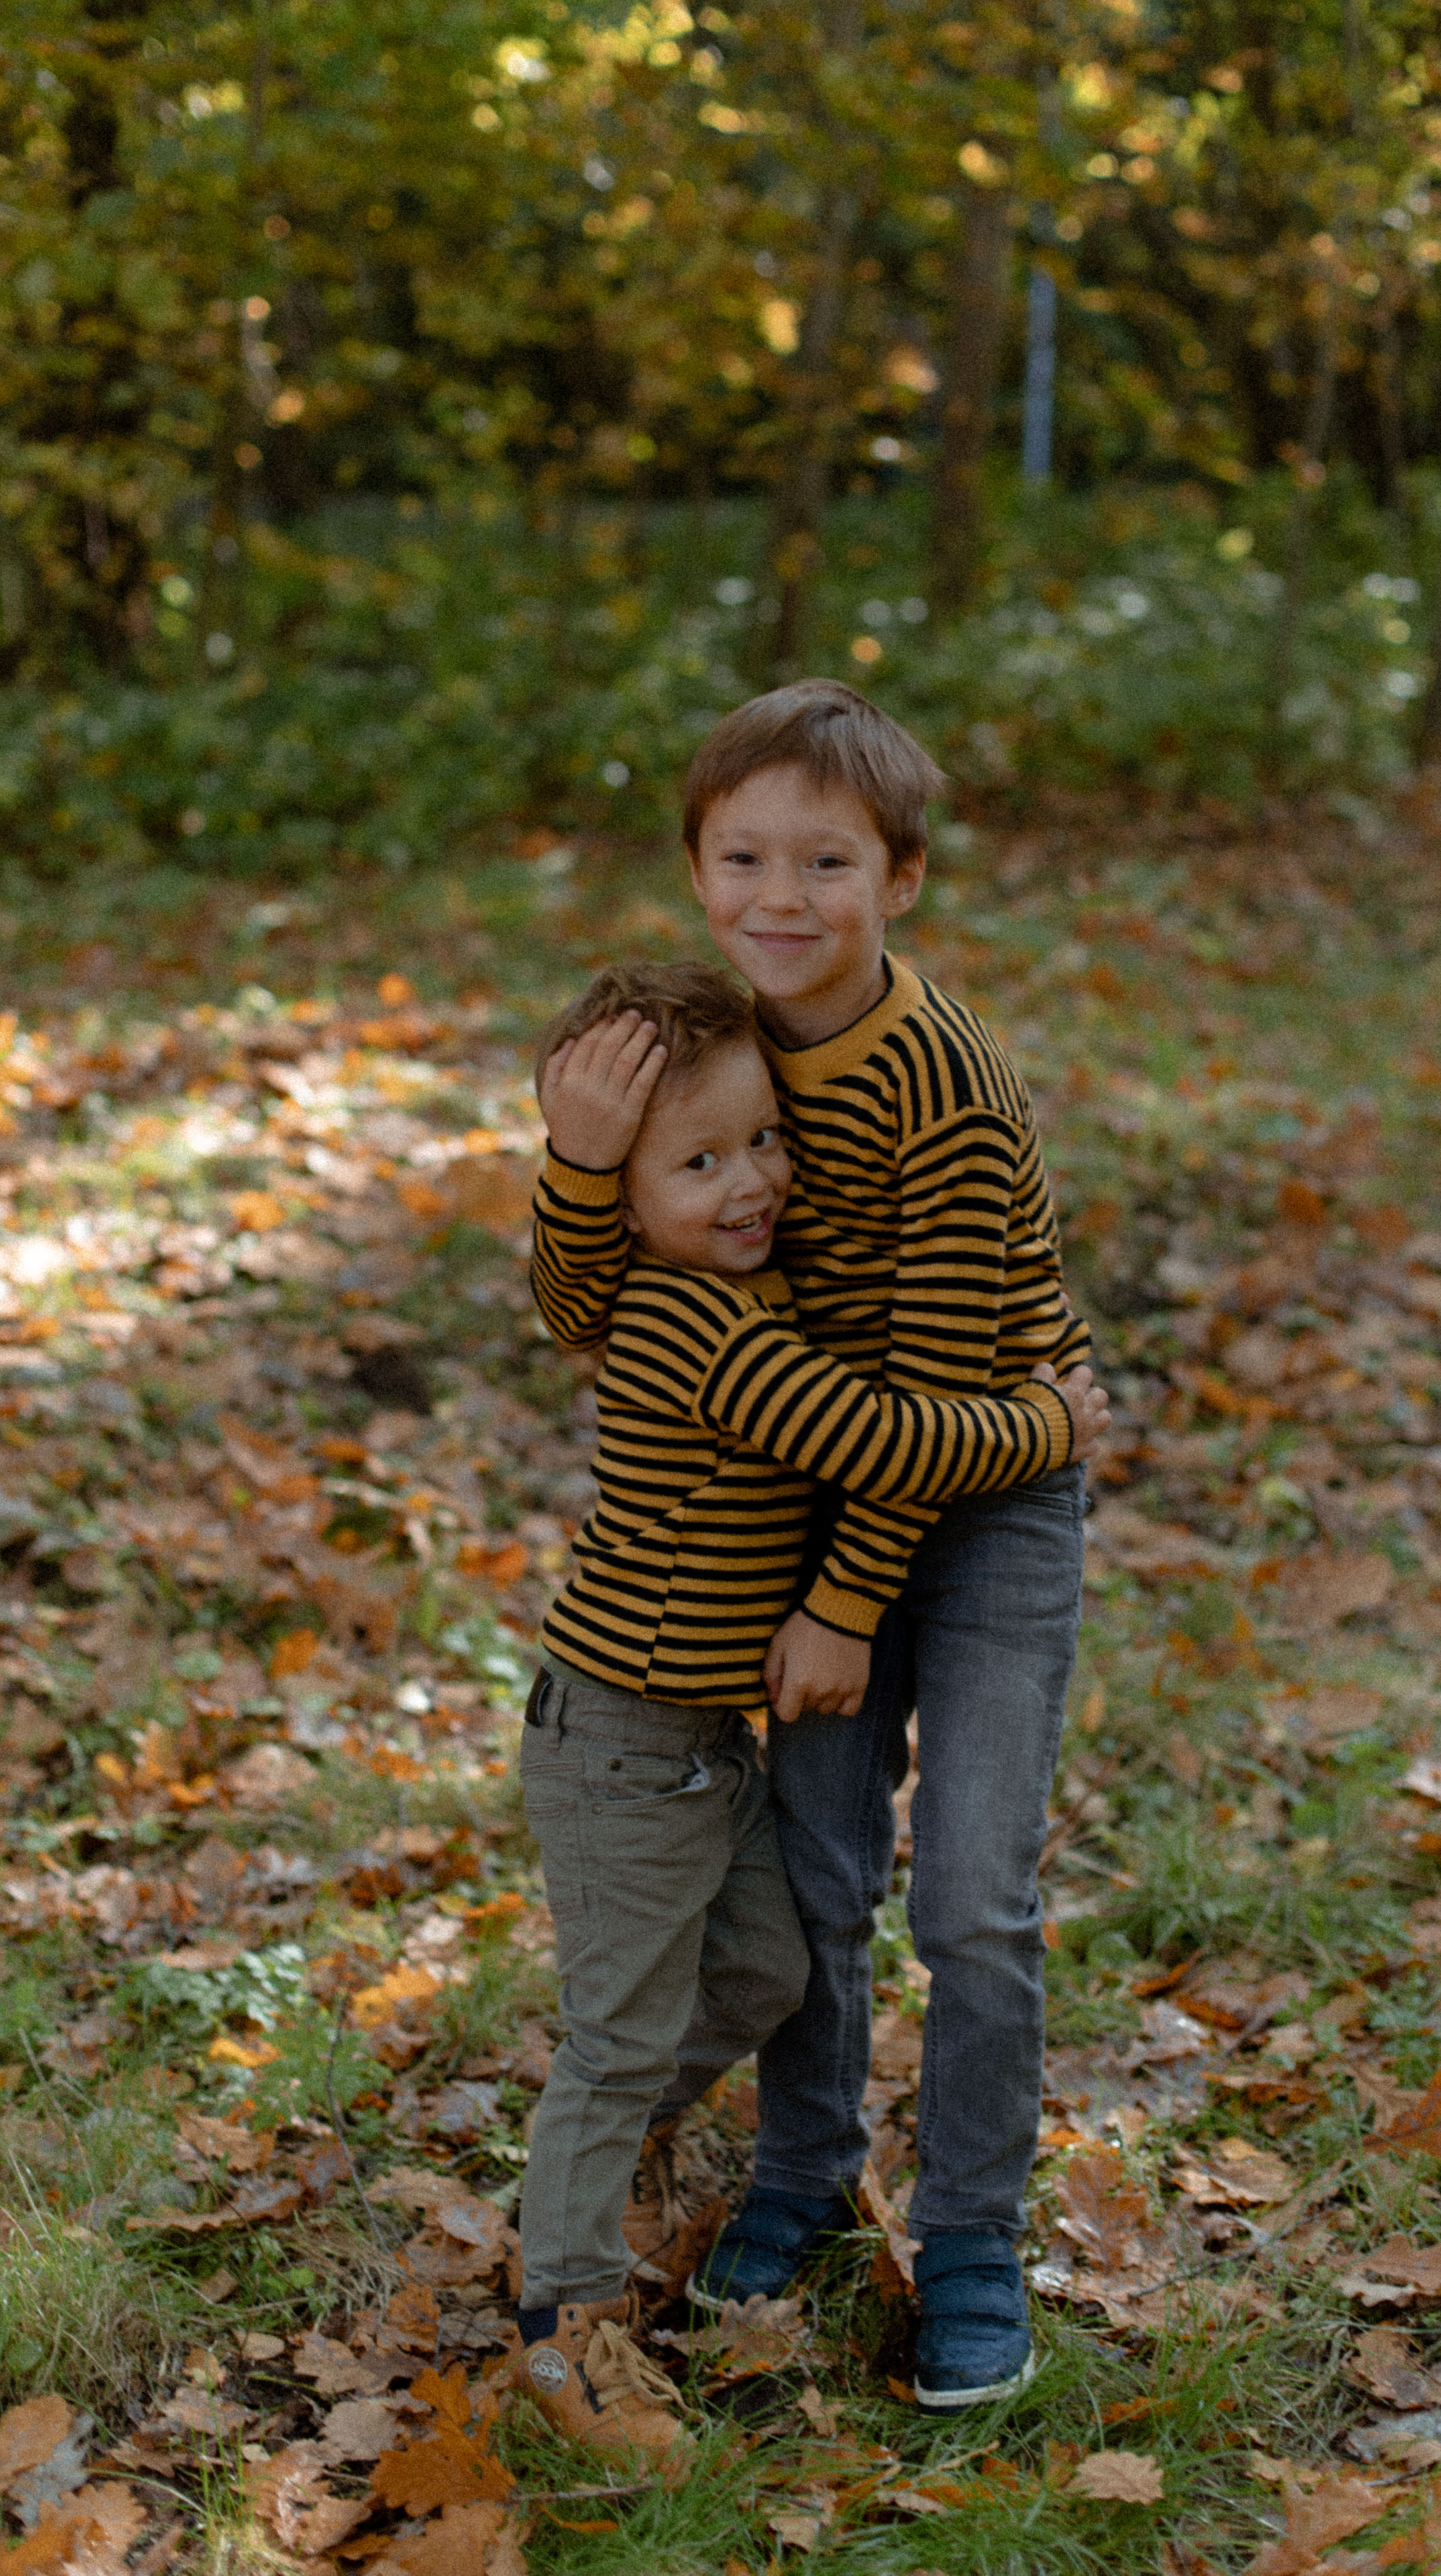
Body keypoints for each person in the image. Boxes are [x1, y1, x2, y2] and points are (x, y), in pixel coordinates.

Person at [528, 681, 1098, 2414]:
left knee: (975, 1896)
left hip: (971, 1495)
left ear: (902, 877)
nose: (784, 895)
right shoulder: (717, 1037)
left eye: (828, 860)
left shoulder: (949, 1090)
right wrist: (575, 1158)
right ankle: (801, 2175)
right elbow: (594, 1309)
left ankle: (979, 2236)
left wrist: (852, 1600)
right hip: (828, 1484)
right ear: (699, 871)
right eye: (745, 855)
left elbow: (927, 1395)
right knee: (824, 1885)